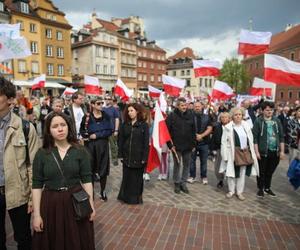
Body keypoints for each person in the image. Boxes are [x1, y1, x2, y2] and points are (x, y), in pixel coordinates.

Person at [31, 112, 95, 250]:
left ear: (68, 127)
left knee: (76, 240)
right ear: (48, 130)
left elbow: (87, 179)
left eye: (63, 125)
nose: (60, 129)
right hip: (51, 205)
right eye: (55, 126)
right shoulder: (42, 154)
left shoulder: (80, 151)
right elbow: (36, 185)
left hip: (76, 203)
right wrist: (37, 215)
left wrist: (91, 205)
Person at [0, 77, 39, 250]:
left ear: (9, 99)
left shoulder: (25, 127)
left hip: (18, 193)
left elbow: (33, 165)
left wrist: (32, 197)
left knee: (23, 238)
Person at [220, 107, 259, 201]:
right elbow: (223, 142)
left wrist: (252, 151)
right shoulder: (228, 127)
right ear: (232, 116)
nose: (238, 116)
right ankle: (231, 190)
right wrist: (224, 155)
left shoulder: (246, 126)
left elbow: (251, 139)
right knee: (231, 172)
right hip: (232, 153)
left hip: (244, 152)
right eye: (236, 115)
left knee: (242, 172)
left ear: (242, 116)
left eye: (239, 114)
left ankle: (239, 192)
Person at [80, 98, 113, 200]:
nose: (101, 105)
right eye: (98, 103)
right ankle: (91, 192)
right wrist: (86, 134)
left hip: (103, 144)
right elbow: (82, 130)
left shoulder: (106, 116)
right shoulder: (87, 117)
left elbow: (110, 130)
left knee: (103, 168)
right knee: (91, 168)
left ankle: (103, 191)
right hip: (90, 146)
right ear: (93, 105)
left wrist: (97, 134)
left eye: (102, 103)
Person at [117, 103, 149, 204]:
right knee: (127, 177)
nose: (130, 113)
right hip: (127, 155)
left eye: (132, 111)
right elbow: (120, 140)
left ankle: (136, 198)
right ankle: (125, 197)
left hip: (138, 156)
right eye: (128, 111)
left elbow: (145, 142)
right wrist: (120, 154)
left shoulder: (143, 125)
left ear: (137, 111)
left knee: (137, 179)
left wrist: (144, 157)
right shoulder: (124, 125)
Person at [252, 101, 284, 198]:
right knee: (261, 171)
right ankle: (260, 188)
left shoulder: (277, 121)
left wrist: (282, 151)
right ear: (262, 111)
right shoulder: (258, 121)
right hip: (263, 151)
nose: (269, 112)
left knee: (270, 171)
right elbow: (255, 138)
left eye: (271, 110)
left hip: (275, 151)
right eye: (267, 110)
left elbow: (281, 136)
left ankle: (267, 187)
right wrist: (256, 152)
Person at [166, 98, 196, 194]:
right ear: (178, 106)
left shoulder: (191, 115)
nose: (184, 107)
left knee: (187, 165)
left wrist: (193, 144)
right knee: (177, 165)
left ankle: (183, 183)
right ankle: (177, 183)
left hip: (188, 146)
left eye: (185, 105)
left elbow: (193, 131)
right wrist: (170, 145)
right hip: (176, 147)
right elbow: (166, 132)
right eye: (182, 105)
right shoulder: (171, 116)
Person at [188, 101, 213, 184]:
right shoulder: (189, 117)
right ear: (193, 107)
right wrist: (195, 135)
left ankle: (204, 176)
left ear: (202, 107)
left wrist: (201, 136)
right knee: (192, 160)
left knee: (204, 161)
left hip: (204, 142)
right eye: (195, 106)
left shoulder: (207, 117)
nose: (197, 108)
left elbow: (210, 128)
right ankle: (192, 176)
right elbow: (187, 128)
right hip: (192, 142)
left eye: (198, 106)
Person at [210, 112, 231, 188]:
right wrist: (213, 150)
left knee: (229, 167)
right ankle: (220, 180)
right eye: (222, 117)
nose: (224, 119)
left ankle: (230, 182)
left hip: (229, 150)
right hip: (219, 149)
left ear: (229, 118)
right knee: (218, 167)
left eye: (226, 117)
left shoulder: (232, 127)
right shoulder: (217, 127)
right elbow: (213, 139)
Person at [103, 96, 120, 166]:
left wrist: (116, 130)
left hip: (112, 130)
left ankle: (114, 159)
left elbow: (117, 119)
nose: (107, 100)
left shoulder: (114, 109)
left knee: (113, 146)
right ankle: (104, 159)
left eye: (109, 99)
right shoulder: (102, 109)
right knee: (104, 146)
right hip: (103, 131)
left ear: (111, 100)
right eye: (106, 99)